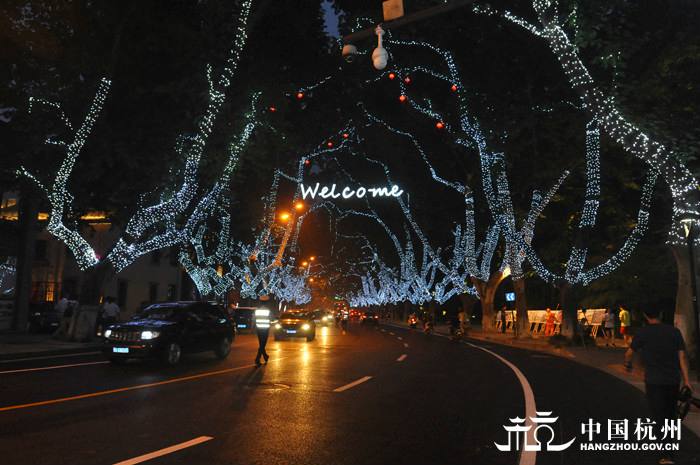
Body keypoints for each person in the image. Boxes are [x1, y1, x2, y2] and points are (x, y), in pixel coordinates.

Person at [624, 307, 692, 465]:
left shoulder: (642, 333)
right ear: (661, 314)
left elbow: (629, 353)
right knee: (670, 414)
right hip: (673, 380)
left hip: (654, 381)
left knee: (659, 416)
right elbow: (682, 356)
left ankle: (665, 455)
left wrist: (628, 365)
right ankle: (670, 450)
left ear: (645, 315)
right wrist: (687, 380)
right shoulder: (674, 332)